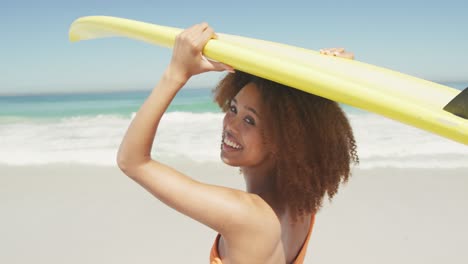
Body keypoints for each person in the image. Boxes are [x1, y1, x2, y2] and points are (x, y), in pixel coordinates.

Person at [117, 22, 358, 264]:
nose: (231, 124)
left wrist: (177, 72)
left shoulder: (245, 214)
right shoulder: (302, 206)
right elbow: (309, 126)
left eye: (250, 120)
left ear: (286, 138)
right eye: (233, 108)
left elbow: (133, 162)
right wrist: (323, 84)